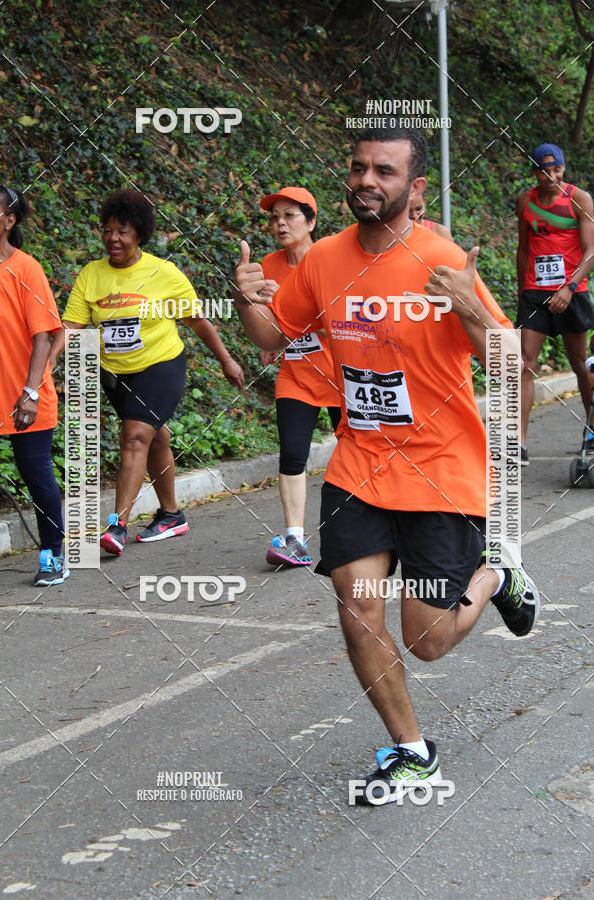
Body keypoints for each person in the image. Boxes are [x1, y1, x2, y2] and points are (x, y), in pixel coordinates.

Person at [234, 126, 540, 805]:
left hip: (442, 467)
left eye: (385, 170)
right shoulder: (324, 260)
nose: (368, 180)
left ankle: (496, 571)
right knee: (356, 609)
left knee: (427, 641)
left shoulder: (443, 260)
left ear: (415, 188)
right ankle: (413, 752)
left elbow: (511, 365)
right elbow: (274, 340)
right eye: (359, 168)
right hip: (360, 464)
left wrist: (469, 309)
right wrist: (246, 299)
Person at [49, 189, 244, 557]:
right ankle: (172, 514)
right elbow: (72, 323)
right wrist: (49, 362)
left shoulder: (163, 274)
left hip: (161, 364)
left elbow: (197, 321)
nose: (113, 238)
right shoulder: (92, 274)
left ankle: (117, 526)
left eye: (122, 231)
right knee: (155, 438)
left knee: (135, 436)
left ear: (139, 233)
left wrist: (226, 360)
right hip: (117, 374)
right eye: (107, 230)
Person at [256, 187, 341, 567]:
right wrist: (268, 326)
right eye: (275, 217)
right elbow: (265, 326)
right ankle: (295, 539)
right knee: (292, 454)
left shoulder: (333, 261)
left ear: (311, 221)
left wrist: (288, 312)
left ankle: (379, 527)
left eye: (289, 215)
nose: (280, 223)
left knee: (361, 452)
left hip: (342, 376)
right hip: (296, 375)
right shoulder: (267, 265)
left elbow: (345, 321)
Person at [0, 186, 68, 586]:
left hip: (24, 392)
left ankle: (53, 555)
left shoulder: (26, 269)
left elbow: (42, 335)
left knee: (36, 474)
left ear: (9, 221)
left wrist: (31, 391)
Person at [516, 142, 594, 465]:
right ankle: (519, 442)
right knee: (523, 364)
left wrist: (570, 286)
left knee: (580, 364)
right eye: (545, 170)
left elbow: (590, 250)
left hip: (572, 292)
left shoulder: (579, 199)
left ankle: (591, 430)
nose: (552, 176)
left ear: (564, 169)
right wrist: (523, 292)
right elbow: (523, 249)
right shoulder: (525, 201)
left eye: (557, 169)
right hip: (536, 292)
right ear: (534, 172)